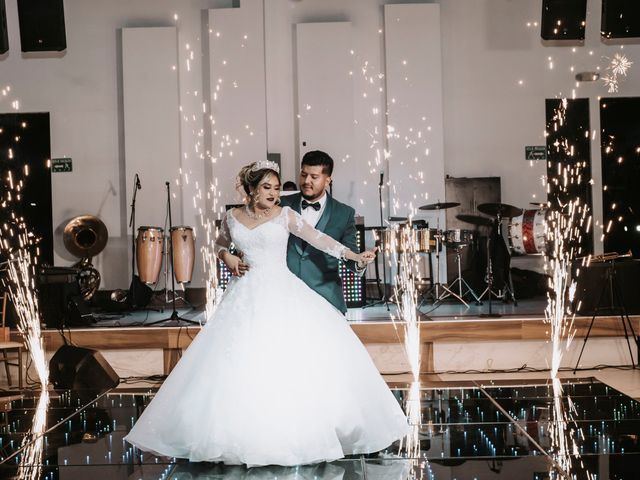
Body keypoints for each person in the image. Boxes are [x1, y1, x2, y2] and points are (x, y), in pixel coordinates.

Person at [124, 160, 408, 467]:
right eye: (266, 188)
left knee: (283, 359)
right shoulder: (232, 217)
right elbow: (219, 244)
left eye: (276, 187)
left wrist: (353, 254)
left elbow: (319, 239)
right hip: (243, 296)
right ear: (250, 189)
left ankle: (290, 431)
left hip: (282, 291)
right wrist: (228, 258)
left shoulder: (285, 215)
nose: (274, 193)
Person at [279, 151, 363, 314]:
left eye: (314, 177)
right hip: (284, 296)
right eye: (303, 175)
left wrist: (360, 262)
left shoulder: (344, 213)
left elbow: (351, 256)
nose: (306, 181)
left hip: (325, 298)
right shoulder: (282, 204)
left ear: (327, 180)